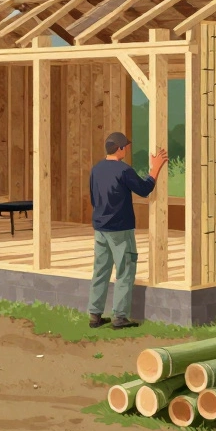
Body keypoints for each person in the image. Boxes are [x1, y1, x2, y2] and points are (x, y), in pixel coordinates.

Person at [88, 131, 168, 329]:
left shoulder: (96, 170)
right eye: (126, 147)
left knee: (100, 270)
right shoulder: (124, 171)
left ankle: (95, 315)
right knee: (125, 271)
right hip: (120, 229)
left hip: (100, 228)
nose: (128, 149)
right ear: (120, 148)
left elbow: (92, 198)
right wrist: (155, 168)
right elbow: (144, 189)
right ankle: (120, 317)